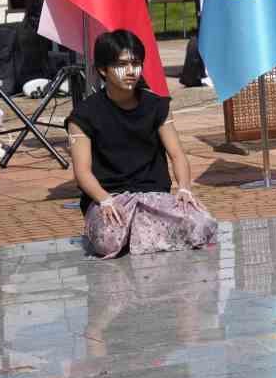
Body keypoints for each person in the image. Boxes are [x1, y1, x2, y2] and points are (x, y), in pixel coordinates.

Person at [68, 29, 217, 258]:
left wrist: (184, 188)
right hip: (110, 198)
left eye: (135, 63)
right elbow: (82, 172)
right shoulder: (84, 115)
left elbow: (177, 154)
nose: (130, 71)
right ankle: (144, 235)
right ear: (102, 70)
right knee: (108, 238)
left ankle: (139, 233)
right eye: (121, 64)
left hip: (153, 197)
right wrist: (104, 200)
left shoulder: (156, 106)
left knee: (202, 223)